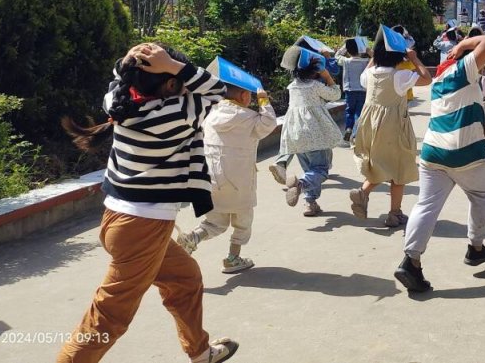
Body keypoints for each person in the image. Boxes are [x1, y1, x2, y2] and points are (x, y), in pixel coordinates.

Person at [58, 43, 238, 363]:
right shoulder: (178, 114)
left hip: (122, 219)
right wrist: (171, 64)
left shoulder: (119, 103)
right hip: (143, 227)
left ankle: (200, 352)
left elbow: (120, 77)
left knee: (185, 279)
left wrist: (137, 60)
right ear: (170, 84)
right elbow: (218, 89)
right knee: (109, 316)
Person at [395, 34, 485, 293]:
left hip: (433, 152)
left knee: (426, 205)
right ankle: (476, 248)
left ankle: (411, 261)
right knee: (482, 195)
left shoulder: (440, 80)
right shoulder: (462, 70)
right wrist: (462, 45)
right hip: (465, 152)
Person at [176, 83, 278, 274]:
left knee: (215, 222)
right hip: (240, 183)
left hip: (212, 180)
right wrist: (263, 99)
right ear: (244, 96)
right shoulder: (249, 118)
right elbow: (269, 123)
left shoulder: (210, 115)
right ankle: (233, 258)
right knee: (243, 223)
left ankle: (192, 238)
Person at [350, 29, 433, 227]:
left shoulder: (369, 74)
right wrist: (414, 58)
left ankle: (364, 193)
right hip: (393, 127)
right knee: (399, 168)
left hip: (369, 127)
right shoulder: (400, 76)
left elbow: (364, 75)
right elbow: (427, 78)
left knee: (380, 164)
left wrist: (374, 56)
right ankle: (393, 213)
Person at [278, 52, 343, 217]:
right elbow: (336, 95)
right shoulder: (315, 86)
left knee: (310, 170)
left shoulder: (292, 87)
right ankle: (300, 184)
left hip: (297, 136)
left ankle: (310, 203)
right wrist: (327, 77)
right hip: (317, 136)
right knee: (320, 170)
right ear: (316, 70)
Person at [337, 38, 371, 143]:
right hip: (362, 90)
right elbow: (376, 59)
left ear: (348, 50)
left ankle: (348, 128)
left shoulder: (345, 61)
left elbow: (337, 56)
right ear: (361, 49)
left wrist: (345, 47)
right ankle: (356, 133)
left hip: (349, 90)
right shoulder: (367, 62)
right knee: (359, 112)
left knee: (349, 111)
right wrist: (367, 49)